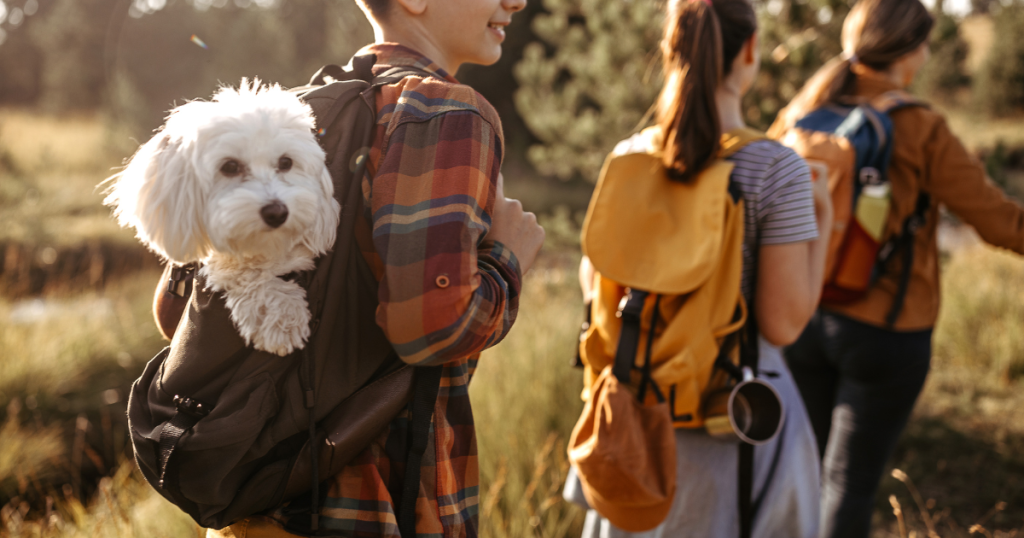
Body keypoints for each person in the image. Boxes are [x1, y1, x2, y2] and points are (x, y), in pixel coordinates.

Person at [188, 0, 545, 535]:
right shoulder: (448, 111)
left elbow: (177, 311)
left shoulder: (287, 114)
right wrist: (507, 257)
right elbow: (433, 327)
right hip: (377, 504)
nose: (516, 1)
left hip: (260, 506)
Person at [562, 0, 833, 536]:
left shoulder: (629, 156)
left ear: (669, 50)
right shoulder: (778, 170)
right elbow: (784, 323)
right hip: (736, 425)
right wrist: (823, 219)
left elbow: (595, 286)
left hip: (633, 429)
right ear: (750, 51)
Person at [771, 1, 1024, 536]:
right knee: (848, 483)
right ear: (908, 52)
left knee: (802, 473)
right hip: (887, 329)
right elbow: (998, 221)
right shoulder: (919, 125)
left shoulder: (801, 111)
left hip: (799, 318)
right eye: (925, 45)